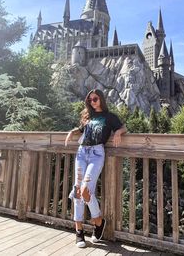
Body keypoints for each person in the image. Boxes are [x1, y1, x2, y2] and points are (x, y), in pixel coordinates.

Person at [65, 89, 126, 248]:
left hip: (96, 154)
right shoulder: (88, 116)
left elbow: (123, 127)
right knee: (78, 191)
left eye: (95, 99)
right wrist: (74, 131)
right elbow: (82, 129)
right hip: (81, 152)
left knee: (85, 190)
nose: (92, 102)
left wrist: (118, 132)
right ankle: (79, 231)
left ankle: (98, 221)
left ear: (101, 99)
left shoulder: (109, 116)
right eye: (90, 100)